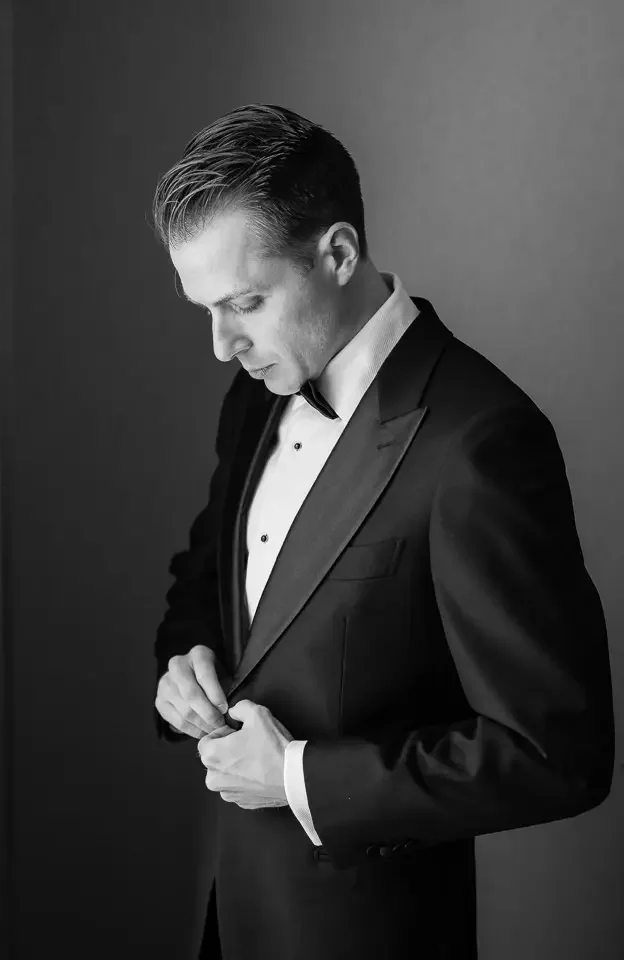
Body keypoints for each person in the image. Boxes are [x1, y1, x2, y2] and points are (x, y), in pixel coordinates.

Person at [151, 103, 614, 960]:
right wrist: (184, 666)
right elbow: (210, 583)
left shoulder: (481, 439)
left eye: (245, 302)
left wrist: (297, 779)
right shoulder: (253, 394)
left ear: (337, 253)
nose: (221, 345)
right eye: (205, 309)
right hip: (233, 918)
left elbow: (556, 755)